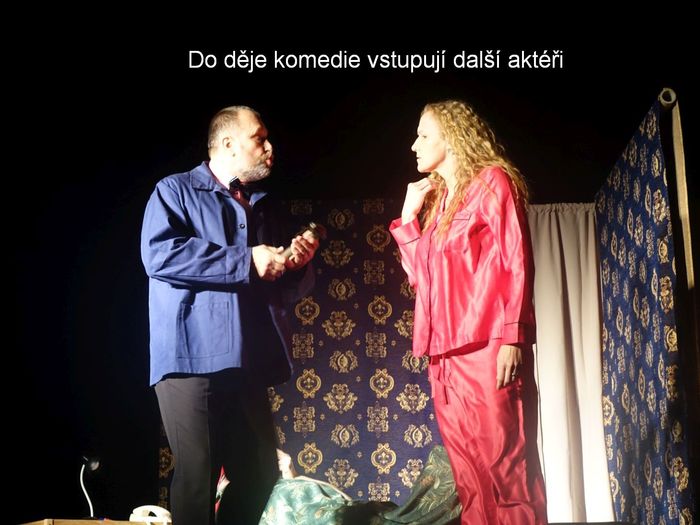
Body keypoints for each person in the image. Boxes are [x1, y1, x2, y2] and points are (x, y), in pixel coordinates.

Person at [141, 105, 318, 525]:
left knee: (259, 471)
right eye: (259, 138)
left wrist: (294, 264)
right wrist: (247, 260)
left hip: (244, 360)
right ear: (227, 144)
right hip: (190, 358)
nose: (270, 147)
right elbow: (159, 254)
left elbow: (276, 285)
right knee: (198, 477)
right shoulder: (175, 190)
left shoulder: (260, 206)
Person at [390, 100, 548, 524]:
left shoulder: (492, 182)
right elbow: (422, 280)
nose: (414, 145)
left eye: (424, 135)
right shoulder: (440, 202)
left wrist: (513, 336)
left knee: (507, 474)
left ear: (452, 137)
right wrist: (407, 219)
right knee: (469, 480)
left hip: (485, 346)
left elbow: (517, 259)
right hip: (443, 357)